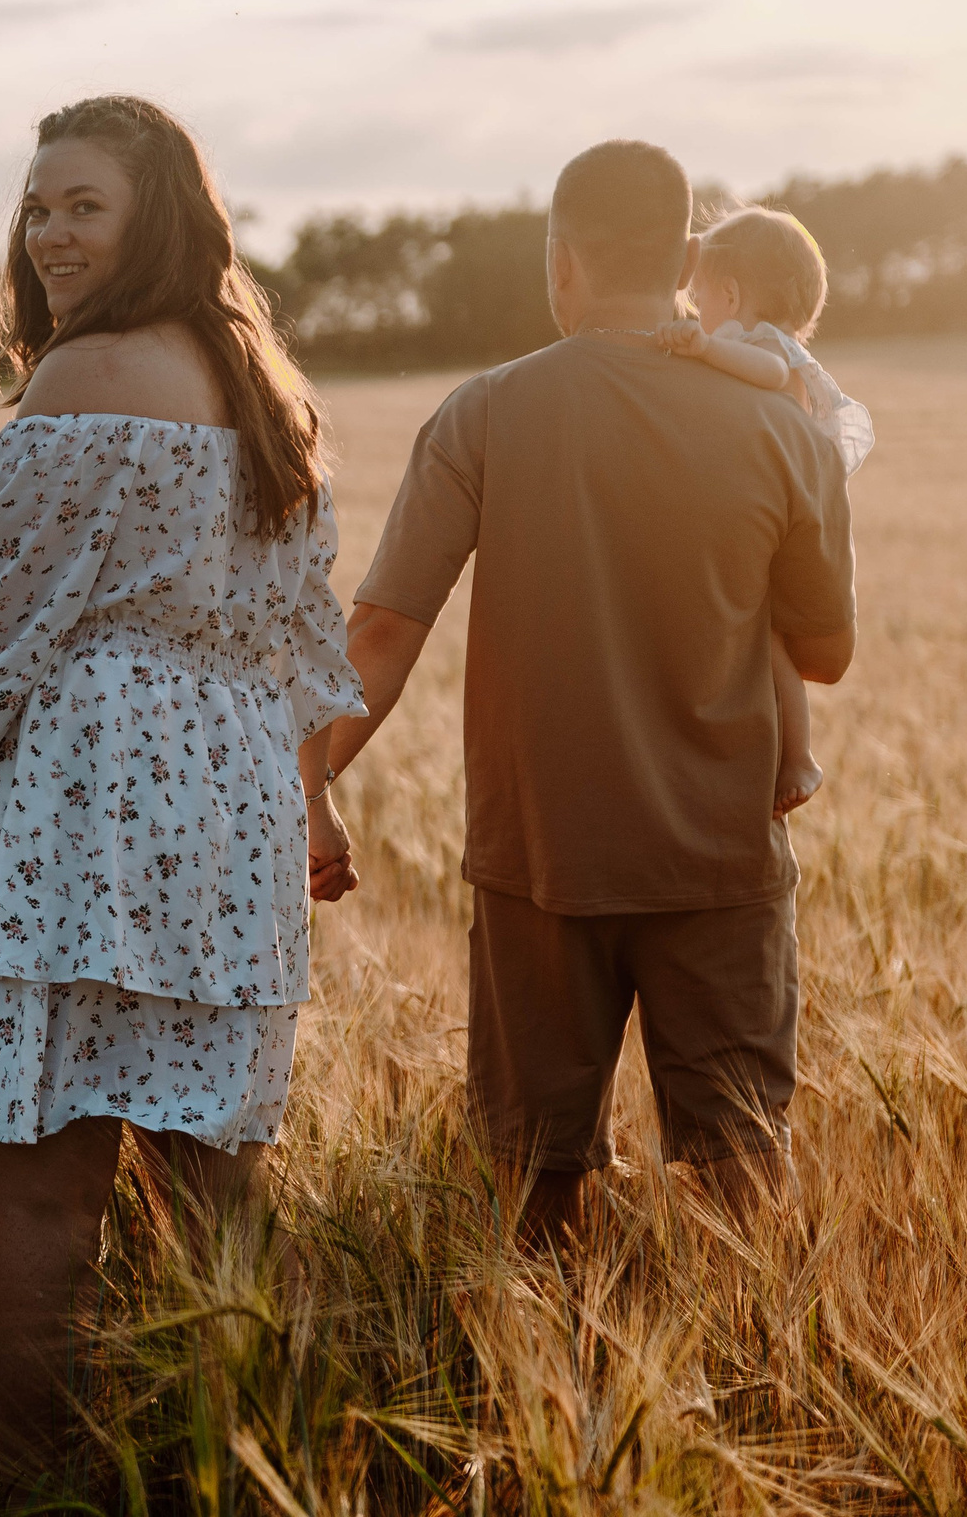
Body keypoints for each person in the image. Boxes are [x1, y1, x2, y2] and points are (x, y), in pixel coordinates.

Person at [0, 95, 365, 1459]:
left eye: (82, 204)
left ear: (155, 211)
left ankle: (42, 1478)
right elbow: (299, 639)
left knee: (48, 1204)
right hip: (228, 813)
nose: (47, 235)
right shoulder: (268, 388)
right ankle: (244, 1457)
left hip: (76, 806)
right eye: (36, 208)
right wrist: (313, 798)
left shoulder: (81, 380)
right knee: (220, 1196)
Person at [326, 140, 857, 1249]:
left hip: (539, 860)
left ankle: (539, 1385)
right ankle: (757, 1378)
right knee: (743, 1169)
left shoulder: (485, 411)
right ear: (681, 257)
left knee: (533, 1176)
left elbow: (378, 631)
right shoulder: (782, 431)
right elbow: (823, 651)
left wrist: (300, 779)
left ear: (560, 261)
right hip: (720, 857)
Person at [655, 205, 875, 814]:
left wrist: (701, 348)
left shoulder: (754, 345)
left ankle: (799, 755)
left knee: (770, 641)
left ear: (730, 292)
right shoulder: (736, 338)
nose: (695, 310)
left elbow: (769, 370)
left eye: (699, 297)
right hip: (785, 511)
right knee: (767, 642)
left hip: (776, 515)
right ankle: (793, 753)